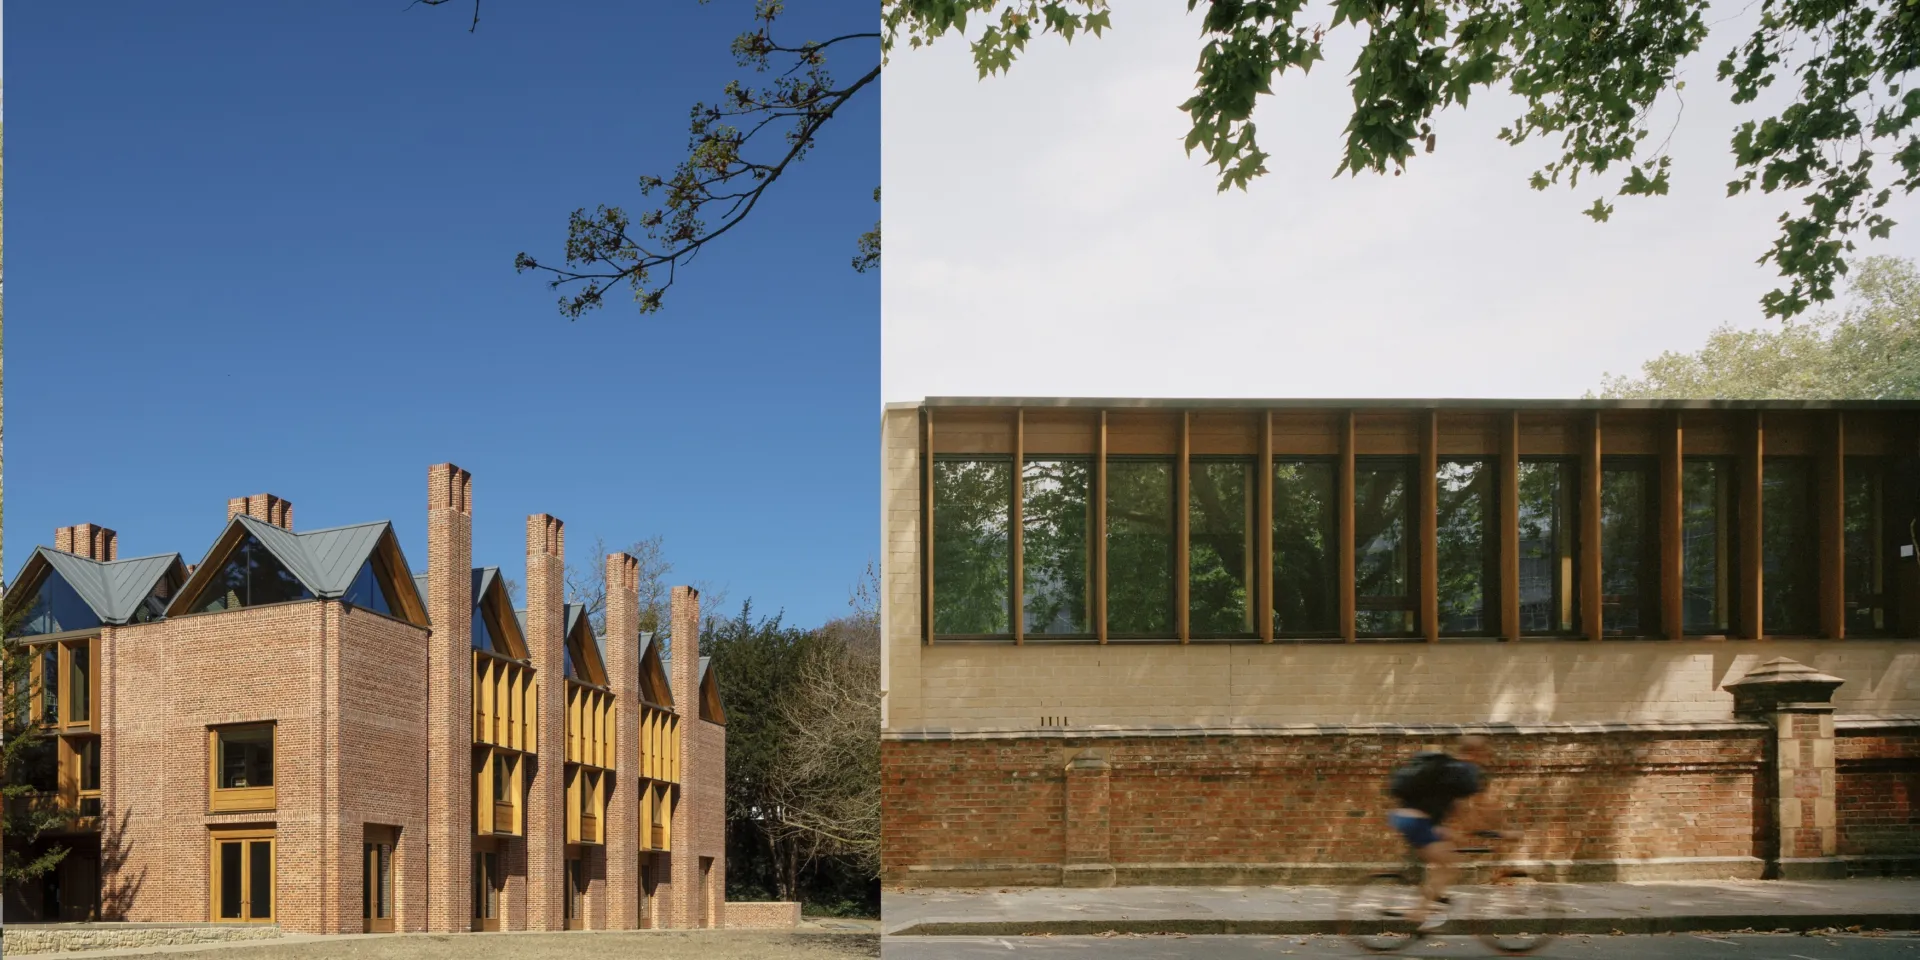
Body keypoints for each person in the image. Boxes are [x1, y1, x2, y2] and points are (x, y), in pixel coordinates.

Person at [1385, 734, 1514, 932]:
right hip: (1417, 821)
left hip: (1405, 817)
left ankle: (1434, 896)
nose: (1487, 759)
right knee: (1451, 865)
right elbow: (1479, 809)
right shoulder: (1465, 772)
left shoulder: (1447, 769)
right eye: (1485, 755)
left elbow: (1453, 807)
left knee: (1446, 849)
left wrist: (1454, 831)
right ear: (1475, 753)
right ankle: (1420, 912)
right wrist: (1500, 832)